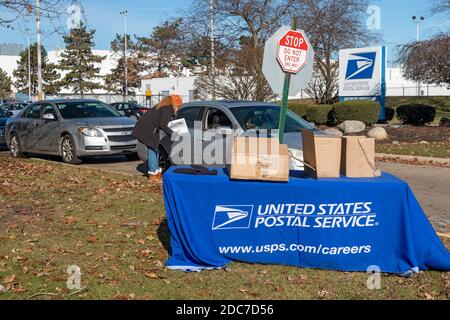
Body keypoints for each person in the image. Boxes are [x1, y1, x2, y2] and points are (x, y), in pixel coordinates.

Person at [132, 95, 182, 180]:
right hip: (148, 130)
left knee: (155, 149)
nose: (178, 107)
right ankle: (153, 173)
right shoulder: (167, 109)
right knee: (152, 149)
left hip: (146, 128)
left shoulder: (162, 107)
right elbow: (163, 125)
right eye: (178, 105)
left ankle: (156, 171)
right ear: (175, 104)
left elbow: (162, 122)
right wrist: (173, 134)